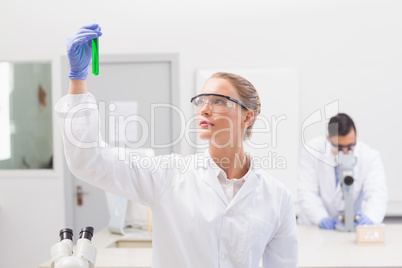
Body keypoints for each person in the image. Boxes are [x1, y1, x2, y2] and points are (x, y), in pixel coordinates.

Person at [55, 24, 298, 267]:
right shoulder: (168, 175)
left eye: (218, 101)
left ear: (247, 117)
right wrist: (78, 79)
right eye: (200, 100)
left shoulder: (277, 197)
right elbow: (88, 160)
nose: (204, 108)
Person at [297, 113, 388, 229]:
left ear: (356, 136)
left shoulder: (370, 157)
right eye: (339, 148)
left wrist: (370, 217)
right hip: (314, 225)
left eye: (350, 146)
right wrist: (320, 218)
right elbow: (307, 191)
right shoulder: (312, 151)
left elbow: (377, 194)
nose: (345, 152)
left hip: (353, 226)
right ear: (329, 139)